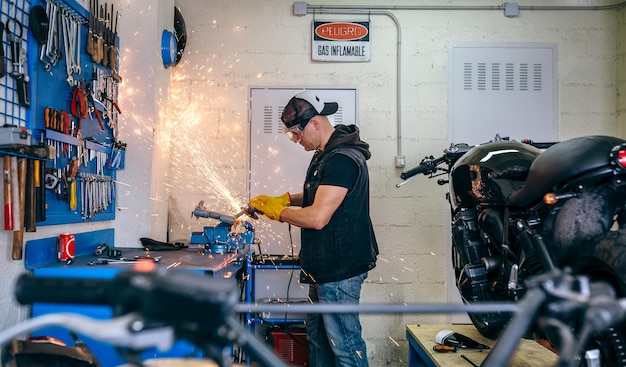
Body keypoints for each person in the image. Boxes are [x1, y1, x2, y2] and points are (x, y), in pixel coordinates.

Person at [248, 91, 379, 367]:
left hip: (339, 271)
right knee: (319, 344)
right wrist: (285, 198)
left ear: (315, 124)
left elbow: (318, 217)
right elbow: (319, 193)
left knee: (345, 347)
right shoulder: (324, 153)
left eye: (297, 133)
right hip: (323, 267)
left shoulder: (342, 158)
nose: (296, 140)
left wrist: (280, 212)